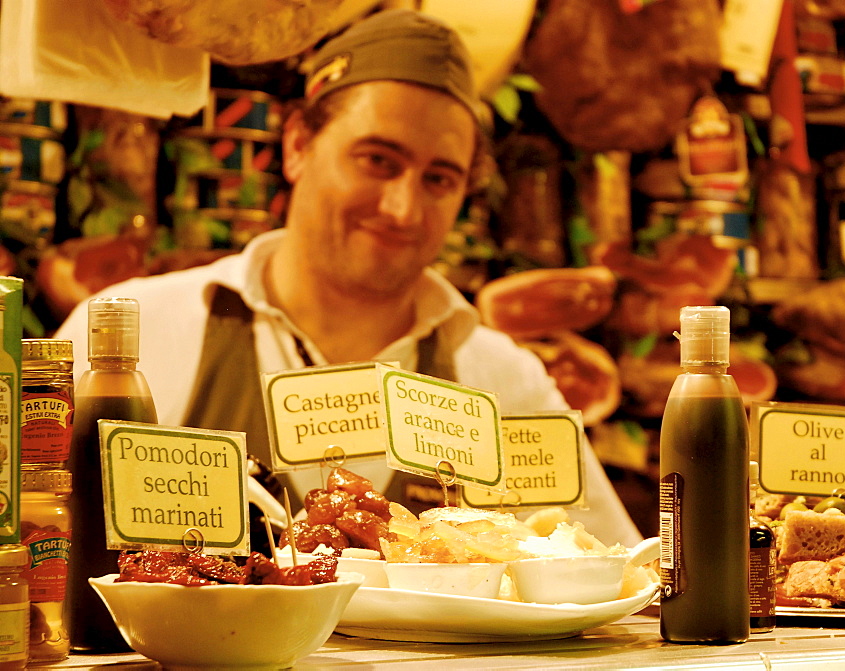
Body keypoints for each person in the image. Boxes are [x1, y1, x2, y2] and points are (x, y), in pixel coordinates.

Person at [55, 9, 642, 547]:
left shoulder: (504, 382)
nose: (401, 208)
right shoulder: (133, 336)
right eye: (377, 160)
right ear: (297, 146)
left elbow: (605, 579)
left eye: (438, 178)